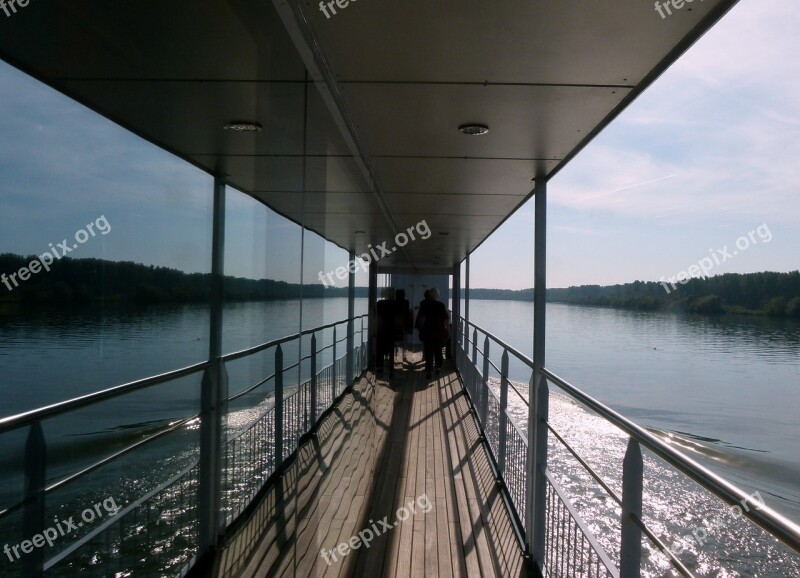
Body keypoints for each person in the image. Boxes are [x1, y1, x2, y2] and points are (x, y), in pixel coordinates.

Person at [417, 288, 449, 376]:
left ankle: (428, 370)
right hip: (439, 332)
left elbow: (422, 319)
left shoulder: (425, 305)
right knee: (438, 351)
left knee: (429, 351)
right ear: (437, 295)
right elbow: (446, 320)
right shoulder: (441, 305)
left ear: (430, 295)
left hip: (428, 332)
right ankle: (438, 368)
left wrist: (421, 329)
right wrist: (448, 331)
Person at [376, 287, 396, 374]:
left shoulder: (379, 303)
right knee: (391, 348)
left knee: (380, 348)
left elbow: (375, 316)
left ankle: (379, 367)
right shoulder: (396, 304)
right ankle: (391, 368)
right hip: (392, 329)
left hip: (381, 328)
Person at [394, 289, 412, 363]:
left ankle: (395, 353)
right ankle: (404, 356)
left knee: (395, 339)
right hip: (404, 323)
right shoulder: (406, 302)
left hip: (395, 323)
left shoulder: (394, 302)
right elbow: (407, 312)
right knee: (405, 340)